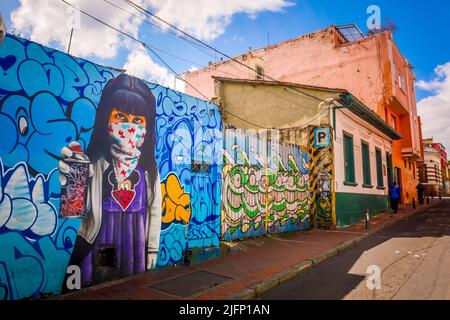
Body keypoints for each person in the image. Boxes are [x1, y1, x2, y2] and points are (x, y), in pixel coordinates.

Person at [59, 74, 161, 286]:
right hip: (104, 237)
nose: (129, 127)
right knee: (104, 280)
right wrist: (71, 181)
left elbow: (154, 208)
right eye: (121, 118)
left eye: (138, 121)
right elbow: (77, 209)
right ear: (107, 118)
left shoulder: (149, 169)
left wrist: (152, 247)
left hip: (135, 240)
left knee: (131, 283)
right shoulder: (94, 163)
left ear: (146, 128)